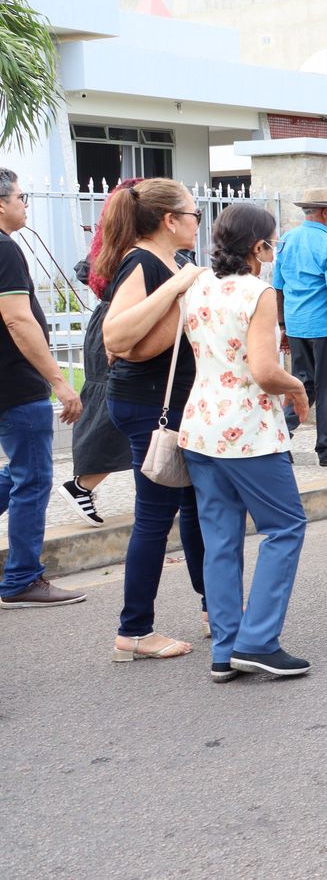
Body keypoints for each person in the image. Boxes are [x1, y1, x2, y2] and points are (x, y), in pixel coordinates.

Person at [180, 203, 312, 681]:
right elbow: (263, 370)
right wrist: (296, 387)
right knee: (285, 527)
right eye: (271, 244)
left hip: (201, 425)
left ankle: (225, 648)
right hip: (249, 431)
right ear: (259, 247)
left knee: (220, 539)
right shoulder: (258, 291)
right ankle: (258, 642)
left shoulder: (199, 287)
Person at [98, 178, 208, 659]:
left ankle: (215, 606)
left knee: (195, 510)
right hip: (149, 408)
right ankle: (135, 630)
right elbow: (118, 338)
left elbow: (155, 341)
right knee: (154, 519)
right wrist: (182, 288)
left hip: (166, 406)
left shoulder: (170, 262)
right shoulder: (142, 261)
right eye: (193, 213)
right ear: (170, 220)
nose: (197, 222)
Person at [0, 169, 86, 609]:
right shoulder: (5, 249)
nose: (25, 204)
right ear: (1, 203)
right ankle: (21, 580)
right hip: (16, 383)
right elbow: (17, 319)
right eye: (21, 196)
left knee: (18, 474)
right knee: (32, 479)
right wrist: (58, 380)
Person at [61, 180, 145, 528]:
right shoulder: (137, 249)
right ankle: (81, 484)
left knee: (120, 411)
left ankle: (87, 484)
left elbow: (88, 271)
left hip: (107, 326)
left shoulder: (112, 241)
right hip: (120, 329)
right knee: (112, 411)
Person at [274, 187, 327, 467]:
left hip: (297, 325)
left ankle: (278, 436)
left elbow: (278, 287)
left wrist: (283, 326)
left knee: (302, 383)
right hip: (325, 328)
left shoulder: (287, 239)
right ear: (326, 212)